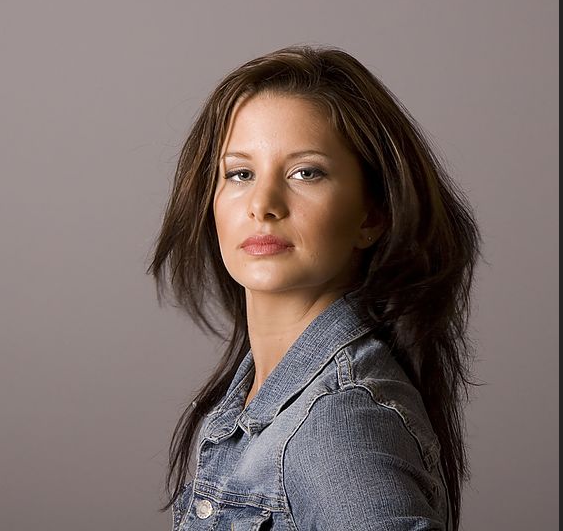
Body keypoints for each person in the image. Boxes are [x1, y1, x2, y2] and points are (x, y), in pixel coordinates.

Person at [147, 44, 481, 530]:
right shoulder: (259, 397)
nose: (262, 204)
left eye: (306, 172)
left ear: (372, 215)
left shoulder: (337, 420)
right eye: (240, 173)